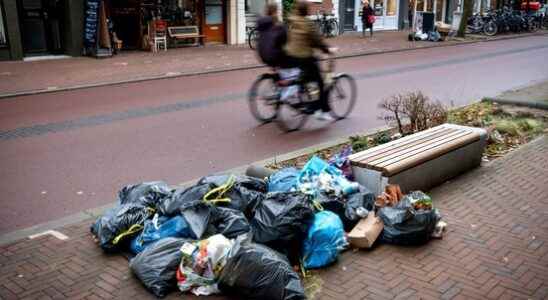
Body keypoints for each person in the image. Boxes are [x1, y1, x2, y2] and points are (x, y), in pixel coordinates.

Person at [284, 0, 333, 121]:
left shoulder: (292, 20)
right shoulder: (307, 23)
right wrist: (327, 50)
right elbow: (317, 40)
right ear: (306, 10)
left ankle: (296, 92)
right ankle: (320, 111)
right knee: (321, 83)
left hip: (290, 55)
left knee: (305, 80)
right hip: (303, 57)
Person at [256, 3, 288, 68]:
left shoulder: (262, 22)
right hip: (274, 56)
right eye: (278, 10)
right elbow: (286, 40)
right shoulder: (278, 25)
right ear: (275, 11)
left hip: (262, 55)